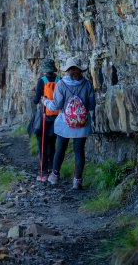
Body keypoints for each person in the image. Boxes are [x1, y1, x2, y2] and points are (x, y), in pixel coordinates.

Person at [43, 57, 95, 190]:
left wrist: (45, 102)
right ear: (80, 70)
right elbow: (91, 105)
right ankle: (77, 181)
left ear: (68, 71)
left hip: (64, 123)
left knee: (60, 149)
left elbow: (56, 106)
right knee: (79, 152)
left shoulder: (61, 84)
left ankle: (54, 177)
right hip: (81, 123)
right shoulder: (87, 84)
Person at [31, 58, 60, 182]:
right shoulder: (60, 80)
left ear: (44, 70)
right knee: (52, 144)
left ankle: (43, 173)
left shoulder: (41, 81)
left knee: (42, 144)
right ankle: (52, 171)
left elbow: (36, 100)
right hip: (58, 117)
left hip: (45, 116)